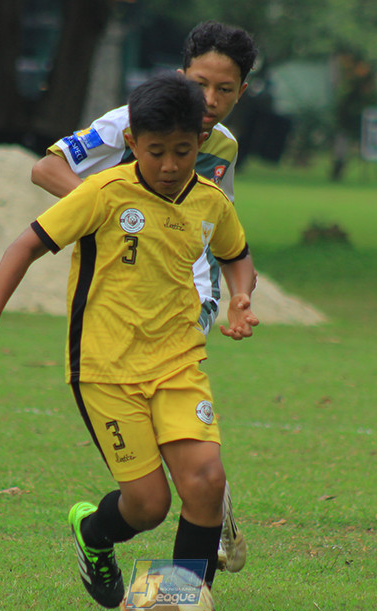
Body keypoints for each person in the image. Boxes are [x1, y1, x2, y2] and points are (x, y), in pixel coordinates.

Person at [0, 73, 257, 611]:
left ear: (199, 142)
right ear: (133, 143)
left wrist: (240, 298)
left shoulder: (211, 201)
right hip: (105, 369)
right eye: (156, 152)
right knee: (148, 506)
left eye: (184, 151)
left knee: (206, 484)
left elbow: (237, 254)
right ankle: (93, 534)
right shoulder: (103, 193)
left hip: (178, 363)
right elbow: (25, 245)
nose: (170, 165)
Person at [31, 19, 256, 575]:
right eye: (201, 83)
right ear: (182, 75)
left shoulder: (220, 144)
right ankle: (195, 498)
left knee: (191, 457)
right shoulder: (126, 121)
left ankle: (199, 522)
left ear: (241, 92)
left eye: (224, 90)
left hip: (187, 296)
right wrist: (115, 211)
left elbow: (217, 226)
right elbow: (47, 168)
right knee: (154, 493)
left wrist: (239, 294)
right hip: (120, 296)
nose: (210, 100)